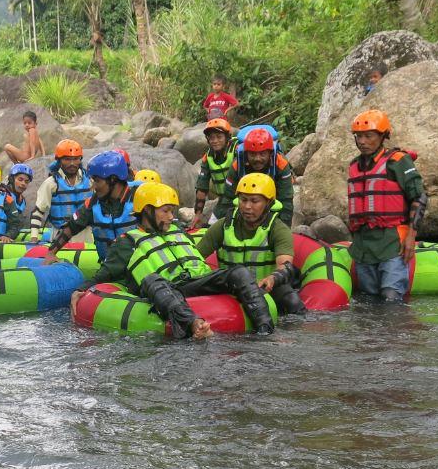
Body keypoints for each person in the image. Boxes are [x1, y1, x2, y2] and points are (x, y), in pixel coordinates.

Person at [73, 182, 276, 337]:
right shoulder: (127, 243)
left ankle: (265, 330)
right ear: (147, 211)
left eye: (172, 211)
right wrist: (81, 290)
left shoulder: (177, 233)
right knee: (151, 278)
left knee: (239, 271)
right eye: (166, 211)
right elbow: (103, 275)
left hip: (197, 281)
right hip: (167, 289)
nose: (172, 217)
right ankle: (194, 324)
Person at [196, 173, 305, 316]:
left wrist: (272, 278)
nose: (247, 206)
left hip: (266, 290)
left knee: (291, 299)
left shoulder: (278, 229)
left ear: (268, 203)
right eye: (243, 199)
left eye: (254, 201)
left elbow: (285, 266)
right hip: (231, 291)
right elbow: (195, 257)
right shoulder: (223, 226)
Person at [347, 109, 427, 302]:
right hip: (363, 245)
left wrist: (411, 237)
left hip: (392, 242)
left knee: (391, 299)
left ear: (383, 136)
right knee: (368, 302)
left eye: (369, 136)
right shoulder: (354, 165)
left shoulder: (398, 161)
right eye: (358, 137)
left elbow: (420, 197)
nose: (362, 142)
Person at [42, 150, 139, 263]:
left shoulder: (139, 196)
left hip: (139, 267)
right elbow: (71, 227)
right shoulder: (94, 203)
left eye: (97, 181)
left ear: (112, 180)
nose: (93, 186)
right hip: (109, 267)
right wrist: (51, 253)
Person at [219, 127, 295, 226]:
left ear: (270, 153)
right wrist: (227, 224)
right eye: (252, 154)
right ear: (246, 154)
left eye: (262, 154)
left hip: (271, 205)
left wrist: (284, 227)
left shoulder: (281, 165)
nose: (257, 159)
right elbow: (228, 197)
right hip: (244, 208)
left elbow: (286, 200)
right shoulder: (237, 166)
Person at [30, 139, 92, 241]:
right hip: (59, 237)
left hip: (86, 237)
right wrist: (34, 237)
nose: (72, 163)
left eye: (76, 159)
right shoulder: (51, 183)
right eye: (67, 159)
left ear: (80, 160)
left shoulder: (90, 181)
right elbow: (38, 211)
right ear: (59, 161)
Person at [191, 118, 236, 228]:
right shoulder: (208, 157)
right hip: (223, 202)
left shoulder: (238, 150)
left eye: (219, 137)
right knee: (212, 229)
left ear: (227, 137)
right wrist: (198, 214)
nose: (215, 141)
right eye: (211, 138)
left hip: (241, 200)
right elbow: (202, 187)